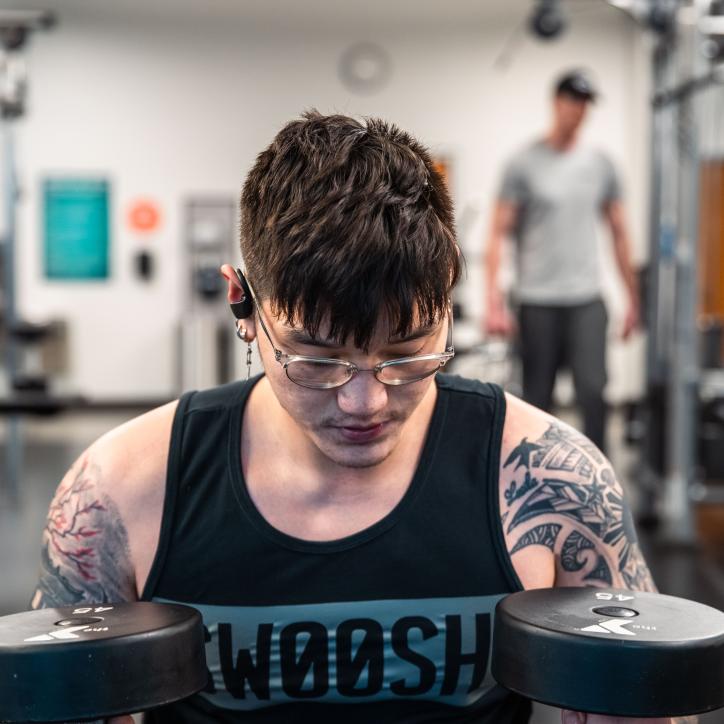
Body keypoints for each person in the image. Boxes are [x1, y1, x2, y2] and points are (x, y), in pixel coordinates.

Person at [32, 112, 666, 724]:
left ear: (448, 300)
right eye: (317, 359)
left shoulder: (553, 478)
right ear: (242, 305)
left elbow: (638, 702)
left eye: (406, 353)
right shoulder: (120, 489)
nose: (365, 402)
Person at [483, 70, 640, 454]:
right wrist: (493, 301)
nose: (579, 109)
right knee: (537, 399)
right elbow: (498, 233)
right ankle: (535, 478)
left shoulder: (602, 164)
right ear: (556, 102)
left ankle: (599, 478)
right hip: (537, 300)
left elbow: (619, 232)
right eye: (573, 100)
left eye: (586, 102)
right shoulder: (522, 163)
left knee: (593, 392)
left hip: (586, 298)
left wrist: (633, 299)